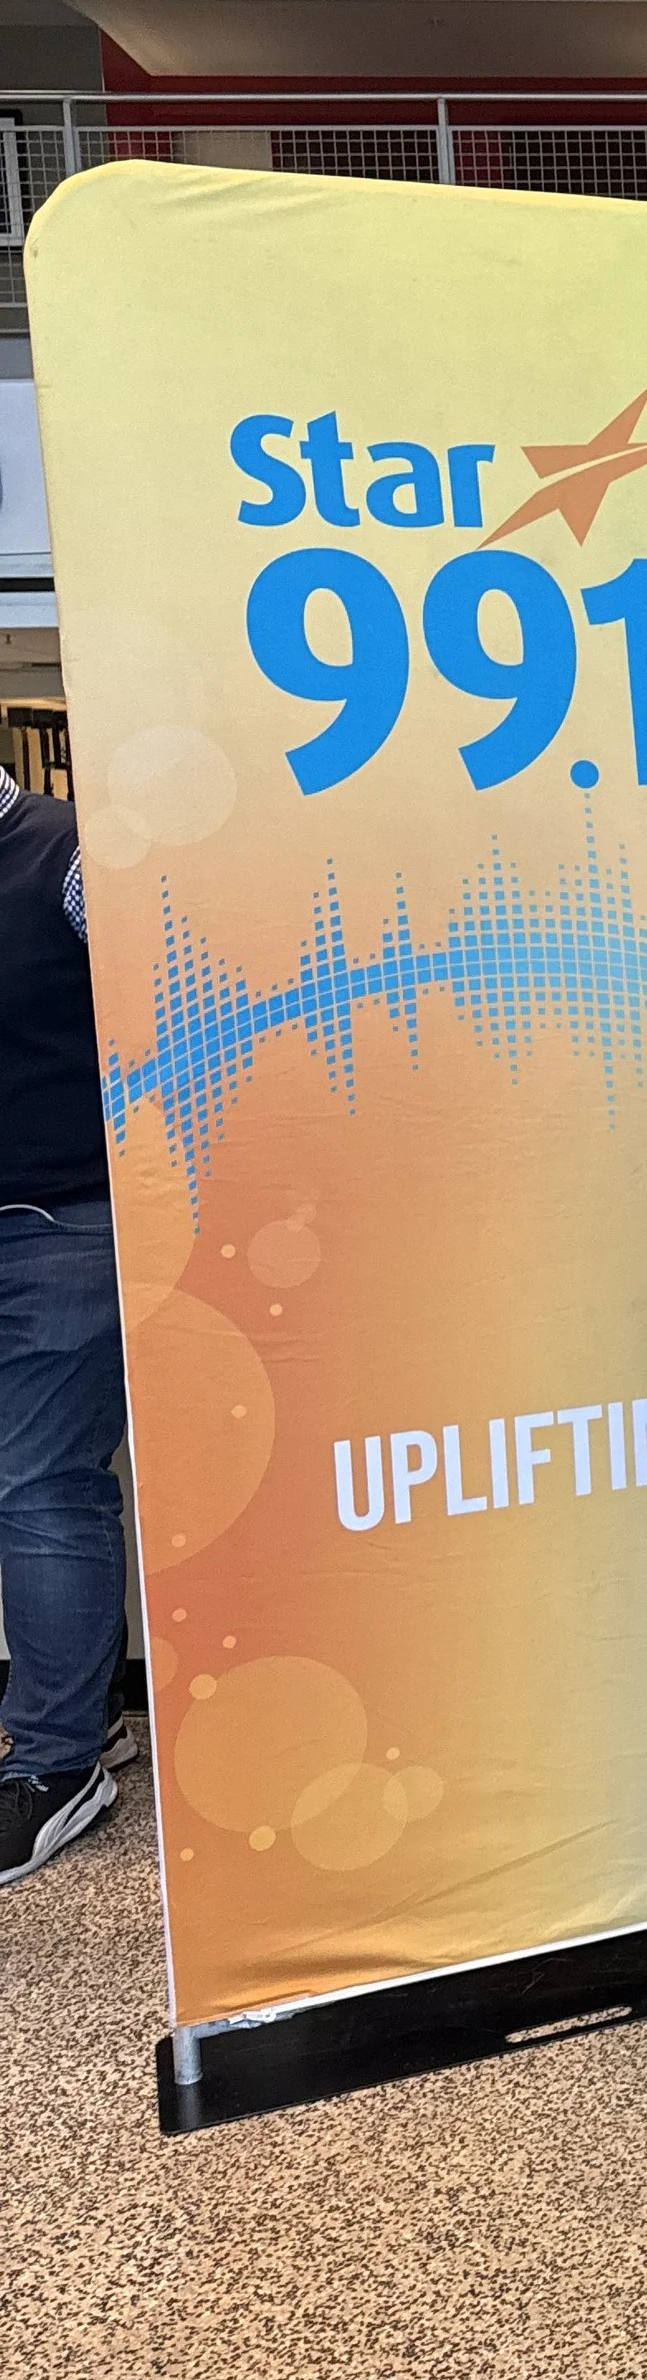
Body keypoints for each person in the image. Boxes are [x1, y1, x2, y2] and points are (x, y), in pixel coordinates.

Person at [0, 764, 129, 1891]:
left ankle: (54, 1762)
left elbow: (168, 1011)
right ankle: (73, 1718)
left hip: (62, 1220)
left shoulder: (68, 856)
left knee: (40, 1481)